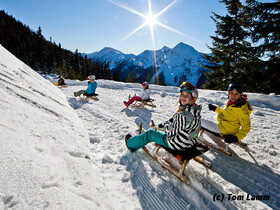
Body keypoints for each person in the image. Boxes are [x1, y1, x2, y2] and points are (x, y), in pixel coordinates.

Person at [125, 81, 202, 154]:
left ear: (193, 98)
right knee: (161, 127)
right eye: (182, 94)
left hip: (178, 144)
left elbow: (171, 132)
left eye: (187, 95)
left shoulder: (183, 115)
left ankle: (130, 144)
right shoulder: (195, 111)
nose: (183, 97)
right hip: (189, 142)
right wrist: (170, 122)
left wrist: (165, 126)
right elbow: (183, 125)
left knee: (151, 133)